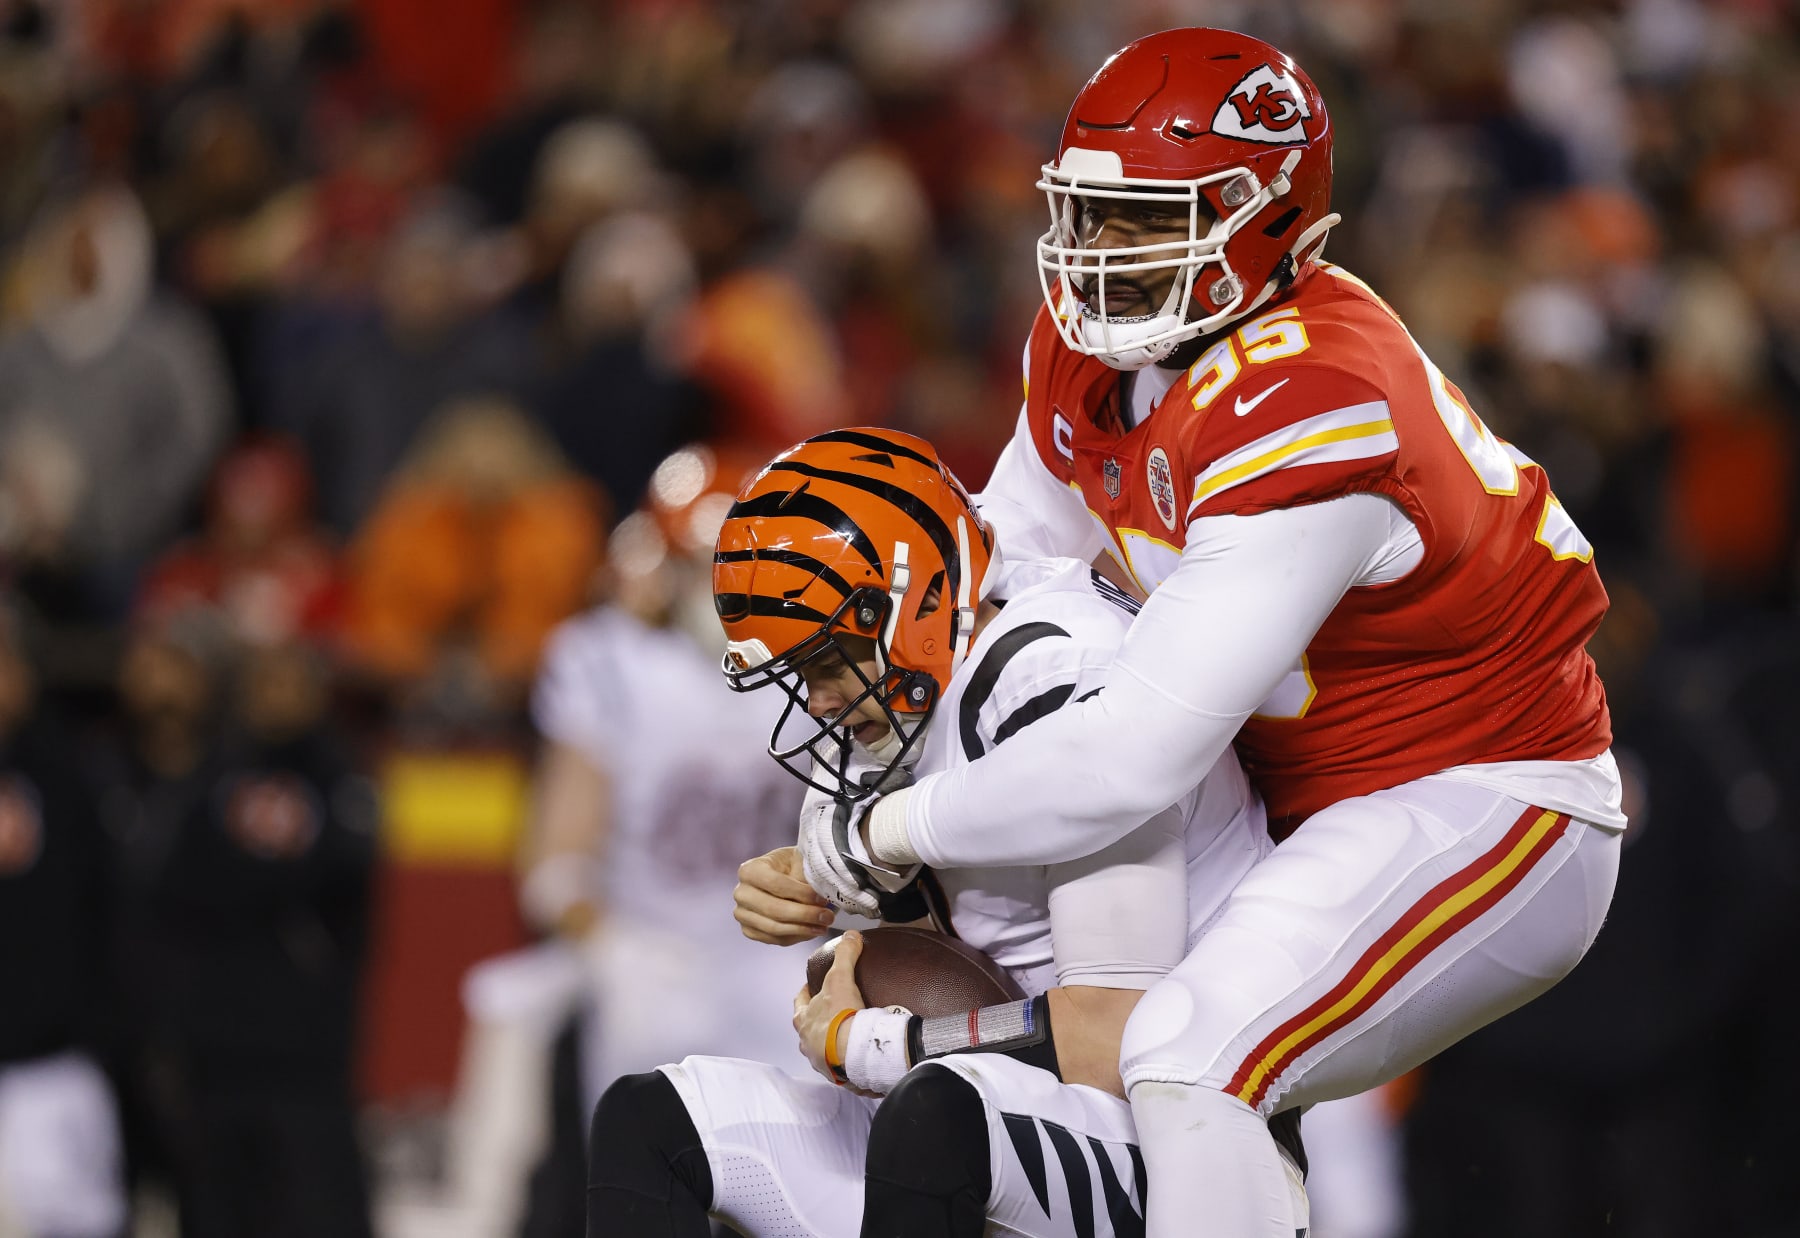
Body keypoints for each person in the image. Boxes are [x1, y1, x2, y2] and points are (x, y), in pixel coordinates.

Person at [792, 29, 1626, 1238]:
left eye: (1147, 221)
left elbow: (1133, 751)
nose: (1101, 257)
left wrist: (877, 833)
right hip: (1284, 800)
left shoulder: (1314, 399)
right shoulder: (1089, 354)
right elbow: (985, 594)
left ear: (1266, 217)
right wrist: (873, 830)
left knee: (1192, 1051)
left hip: (1484, 792)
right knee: (1129, 1052)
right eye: (1090, 215)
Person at [586, 429, 1305, 1237]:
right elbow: (926, 953)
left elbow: (1116, 1034)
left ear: (910, 604)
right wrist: (815, 905)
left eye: (829, 661)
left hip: (1174, 1145)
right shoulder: (913, 692)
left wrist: (873, 1044)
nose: (818, 702)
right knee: (651, 1120)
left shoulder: (1058, 679)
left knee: (934, 1115)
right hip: (982, 1116)